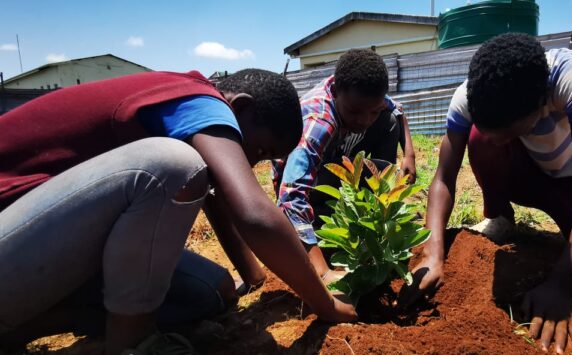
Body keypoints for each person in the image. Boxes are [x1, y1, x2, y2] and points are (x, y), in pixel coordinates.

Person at [0, 69, 356, 354]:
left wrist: (255, 276)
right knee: (170, 164)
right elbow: (254, 214)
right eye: (260, 149)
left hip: (36, 249)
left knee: (210, 292)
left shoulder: (183, 108)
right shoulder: (201, 101)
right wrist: (325, 305)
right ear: (241, 107)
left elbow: (220, 200)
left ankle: (32, 324)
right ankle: (134, 343)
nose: (252, 162)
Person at [399, 33, 572, 353]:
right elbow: (443, 178)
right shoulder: (470, 95)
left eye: (509, 132)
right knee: (481, 139)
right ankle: (500, 217)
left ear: (539, 105)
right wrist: (434, 250)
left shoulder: (570, 74)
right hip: (525, 174)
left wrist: (563, 285)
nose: (498, 139)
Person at [270, 49, 417, 281]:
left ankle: (378, 209)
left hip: (335, 154)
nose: (364, 121)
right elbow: (291, 196)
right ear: (337, 92)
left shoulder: (365, 96)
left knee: (387, 122)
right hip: (306, 181)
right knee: (319, 230)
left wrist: (409, 154)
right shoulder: (318, 123)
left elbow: (395, 108)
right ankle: (323, 221)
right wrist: (322, 271)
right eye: (355, 112)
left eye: (372, 111)